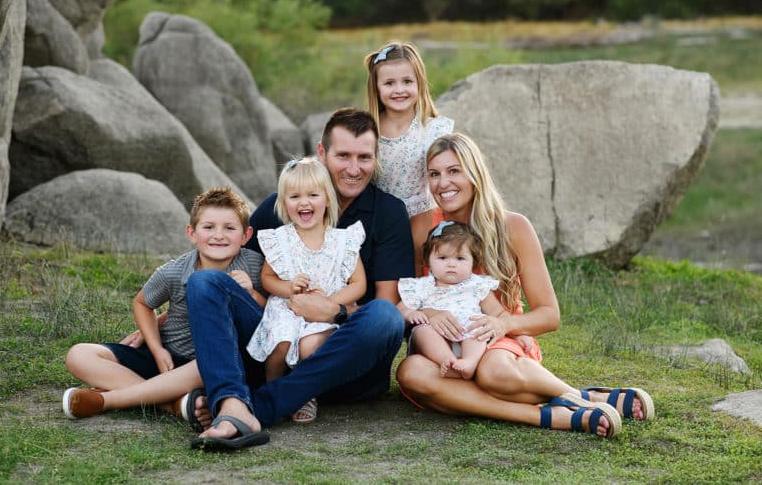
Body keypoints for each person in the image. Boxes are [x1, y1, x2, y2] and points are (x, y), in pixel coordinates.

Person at [397, 133, 655, 438]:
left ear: (475, 173)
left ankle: (571, 400)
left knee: (492, 373)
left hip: (497, 345)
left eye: (454, 171)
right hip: (444, 350)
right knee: (410, 373)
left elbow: (549, 315)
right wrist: (430, 312)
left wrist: (504, 323)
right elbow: (409, 294)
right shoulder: (420, 227)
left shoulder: (514, 227)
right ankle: (558, 411)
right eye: (434, 174)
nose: (443, 183)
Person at [186, 108, 414, 451]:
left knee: (385, 318)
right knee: (203, 283)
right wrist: (175, 306)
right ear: (321, 154)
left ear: (376, 158)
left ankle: (259, 407)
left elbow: (386, 302)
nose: (354, 168)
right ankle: (232, 402)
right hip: (277, 339)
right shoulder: (282, 207)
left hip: (341, 359)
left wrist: (332, 311)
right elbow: (225, 254)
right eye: (343, 156)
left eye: (364, 157)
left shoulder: (388, 213)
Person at [61, 187, 264, 430]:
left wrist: (251, 293)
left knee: (211, 362)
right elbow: (142, 303)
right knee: (79, 355)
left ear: (245, 235)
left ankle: (106, 399)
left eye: (229, 228)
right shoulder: (175, 271)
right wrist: (157, 348)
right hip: (169, 357)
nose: (218, 235)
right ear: (191, 232)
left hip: (211, 363)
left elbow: (273, 311)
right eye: (208, 227)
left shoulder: (253, 264)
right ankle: (173, 404)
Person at [246, 157, 366, 424]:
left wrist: (329, 303)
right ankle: (273, 390)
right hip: (287, 309)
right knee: (281, 341)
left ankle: (305, 393)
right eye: (295, 196)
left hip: (322, 315)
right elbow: (266, 278)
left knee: (310, 345)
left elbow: (359, 284)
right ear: (284, 203)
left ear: (327, 199)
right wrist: (288, 288)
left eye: (313, 195)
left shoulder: (342, 241)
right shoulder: (281, 240)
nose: (304, 202)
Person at [398, 220, 534, 381]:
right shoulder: (421, 287)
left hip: (469, 340)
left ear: (473, 261)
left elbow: (499, 314)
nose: (451, 264)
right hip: (435, 346)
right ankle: (448, 362)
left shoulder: (477, 286)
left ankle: (470, 362)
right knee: (422, 331)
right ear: (428, 261)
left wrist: (517, 334)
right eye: (442, 258)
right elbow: (399, 310)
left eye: (460, 258)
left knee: (479, 327)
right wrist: (410, 313)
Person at [364, 40, 453, 227]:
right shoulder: (367, 131)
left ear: (419, 83)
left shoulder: (434, 130)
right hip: (378, 221)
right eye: (389, 83)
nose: (399, 90)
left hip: (423, 219)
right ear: (377, 88)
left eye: (407, 81)